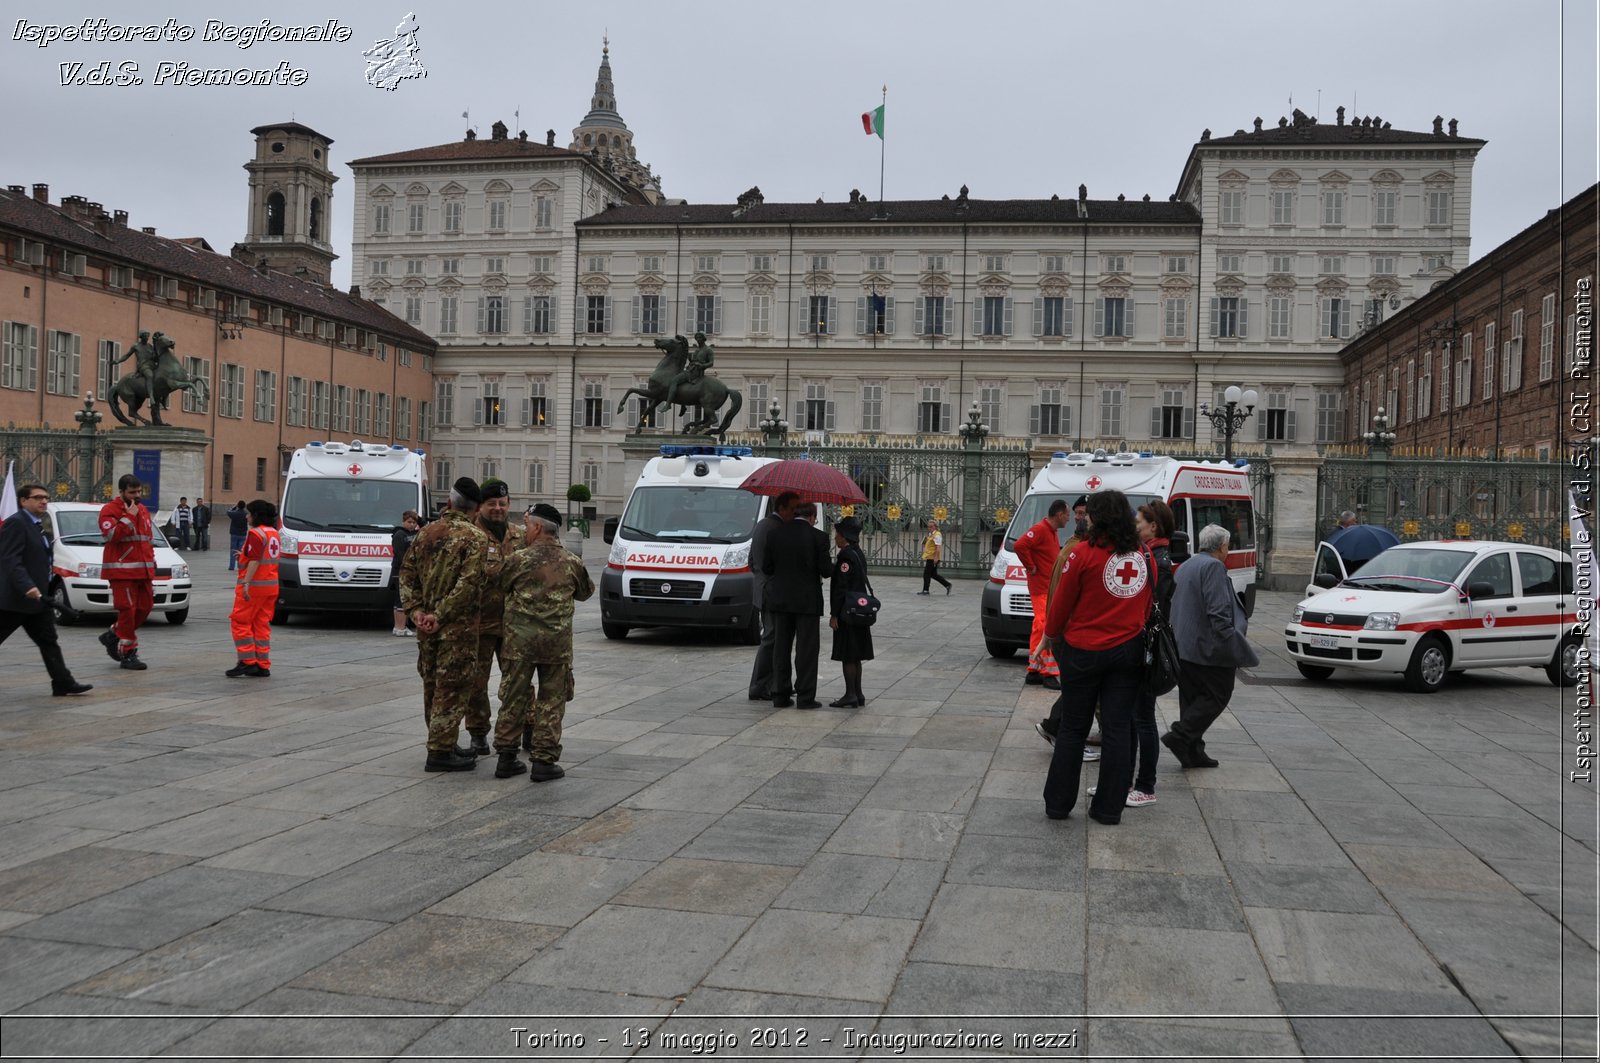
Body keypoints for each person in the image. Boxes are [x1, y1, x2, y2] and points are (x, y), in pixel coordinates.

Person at [1040, 489, 1153, 826]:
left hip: (1084, 651)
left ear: (1098, 517)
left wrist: (1049, 636)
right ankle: (1108, 809)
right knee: (1118, 729)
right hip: (1128, 650)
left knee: (1074, 727)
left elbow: (1060, 606)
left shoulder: (1082, 554)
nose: (1084, 517)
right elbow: (1148, 602)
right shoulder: (1142, 555)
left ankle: (1059, 805)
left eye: (1089, 513)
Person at [492, 504, 595, 781]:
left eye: (527, 526)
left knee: (514, 698)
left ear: (537, 528)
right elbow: (585, 592)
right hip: (556, 646)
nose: (525, 531)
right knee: (552, 702)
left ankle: (506, 757)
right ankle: (543, 762)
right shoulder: (572, 562)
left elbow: (499, 585)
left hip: (519, 644)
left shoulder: (518, 560)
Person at [399, 476, 489, 772]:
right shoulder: (475, 538)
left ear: (449, 503)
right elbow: (469, 583)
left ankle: (443, 741)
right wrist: (441, 615)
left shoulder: (425, 533)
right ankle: (439, 752)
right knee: (452, 687)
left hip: (426, 628)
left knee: (432, 684)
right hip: (457, 628)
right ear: (475, 509)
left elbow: (407, 575)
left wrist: (417, 614)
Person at [1162, 523, 1260, 770]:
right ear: (1223, 546)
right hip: (1207, 648)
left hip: (1183, 645)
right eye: (1228, 546)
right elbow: (1218, 612)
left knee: (1192, 698)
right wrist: (1230, 642)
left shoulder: (1188, 565)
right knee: (1218, 694)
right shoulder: (1213, 566)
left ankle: (1192, 752)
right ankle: (1181, 735)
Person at [1108, 501, 1176, 808]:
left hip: (1146, 645)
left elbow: (1150, 605)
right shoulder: (1147, 554)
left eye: (1140, 522)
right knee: (1133, 718)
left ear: (1154, 527)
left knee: (1144, 719)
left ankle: (1145, 785)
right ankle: (1123, 783)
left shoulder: (1158, 559)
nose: (1135, 526)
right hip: (1139, 643)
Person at [0, 483, 92, 696]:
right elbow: (10, 559)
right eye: (38, 497)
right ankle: (63, 681)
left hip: (38, 601)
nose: (44, 501)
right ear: (23, 501)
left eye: (46, 497)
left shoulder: (37, 524)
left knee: (49, 641)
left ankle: (63, 682)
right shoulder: (16, 523)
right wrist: (27, 586)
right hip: (15, 600)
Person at [465, 478, 523, 756]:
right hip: (480, 624)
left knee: (517, 681)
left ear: (509, 504)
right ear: (480, 507)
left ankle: (525, 729)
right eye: (492, 504)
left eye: (502, 503)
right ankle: (478, 733)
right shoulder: (469, 536)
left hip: (514, 624)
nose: (498, 508)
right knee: (476, 683)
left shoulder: (520, 535)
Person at [762, 492, 830, 709]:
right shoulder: (818, 538)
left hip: (780, 601)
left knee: (781, 648)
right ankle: (805, 697)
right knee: (806, 650)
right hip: (807, 602)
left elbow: (767, 567)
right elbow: (826, 571)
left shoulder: (774, 535)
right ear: (812, 515)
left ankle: (780, 694)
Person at [1035, 496, 1091, 749]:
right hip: (1071, 634)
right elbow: (1061, 598)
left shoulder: (1072, 545)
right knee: (1082, 691)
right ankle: (1060, 734)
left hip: (1067, 633)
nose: (1077, 517)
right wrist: (1051, 633)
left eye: (1083, 514)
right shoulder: (1076, 550)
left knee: (1079, 690)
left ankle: (1056, 729)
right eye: (1077, 513)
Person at [97, 473, 155, 670]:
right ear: (121, 492)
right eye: (132, 492)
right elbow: (111, 535)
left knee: (145, 608)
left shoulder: (143, 510)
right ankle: (128, 653)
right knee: (128, 611)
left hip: (144, 572)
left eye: (139, 492)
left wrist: (152, 563)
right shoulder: (109, 510)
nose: (136, 496)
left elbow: (147, 540)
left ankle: (113, 633)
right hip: (121, 572)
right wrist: (129, 516)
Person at [1014, 498, 1069, 690]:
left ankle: (1034, 670)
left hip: (1046, 587)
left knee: (1039, 627)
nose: (1068, 520)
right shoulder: (1040, 530)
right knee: (1046, 626)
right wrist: (1031, 567)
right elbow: (1020, 545)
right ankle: (1049, 673)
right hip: (1042, 588)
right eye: (1067, 515)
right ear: (1060, 514)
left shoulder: (1051, 531)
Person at [226, 500, 281, 678]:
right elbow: (261, 556)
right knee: (261, 624)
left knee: (240, 622)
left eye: (249, 513)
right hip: (271, 587)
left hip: (254, 588)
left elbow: (256, 560)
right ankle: (262, 664)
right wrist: (243, 555)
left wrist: (246, 583)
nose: (246, 516)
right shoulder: (273, 533)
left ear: (256, 515)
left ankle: (247, 661)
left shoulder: (255, 534)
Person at [746, 493, 791, 701]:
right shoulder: (777, 528)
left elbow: (751, 560)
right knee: (770, 638)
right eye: (791, 509)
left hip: (762, 587)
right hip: (771, 591)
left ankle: (770, 683)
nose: (793, 513)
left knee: (771, 637)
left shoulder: (761, 524)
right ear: (781, 508)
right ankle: (759, 686)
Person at [827, 516, 873, 707]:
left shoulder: (846, 556)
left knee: (848, 654)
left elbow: (841, 588)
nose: (835, 538)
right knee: (856, 655)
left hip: (848, 612)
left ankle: (850, 694)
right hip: (859, 610)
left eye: (837, 534)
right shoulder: (858, 553)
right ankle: (858, 693)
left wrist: (835, 614)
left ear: (844, 536)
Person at [390, 510, 421, 636]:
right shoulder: (399, 534)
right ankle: (400, 627)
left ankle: (400, 626)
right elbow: (399, 553)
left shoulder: (415, 533)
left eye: (414, 522)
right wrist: (408, 565)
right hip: (400, 570)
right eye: (409, 522)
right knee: (401, 599)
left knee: (402, 599)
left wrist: (418, 517)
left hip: (410, 570)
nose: (412, 524)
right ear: (403, 522)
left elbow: (424, 525)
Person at [918, 519, 953, 595]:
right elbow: (929, 544)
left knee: (926, 574)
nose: (929, 528)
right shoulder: (932, 534)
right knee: (933, 574)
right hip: (929, 556)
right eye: (928, 527)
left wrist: (936, 558)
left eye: (931, 526)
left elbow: (938, 548)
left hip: (932, 557)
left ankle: (926, 590)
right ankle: (947, 585)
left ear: (935, 527)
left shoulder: (937, 535)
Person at [226, 500, 249, 570]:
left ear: (238, 506)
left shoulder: (234, 513)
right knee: (241, 551)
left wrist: (234, 507)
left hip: (234, 534)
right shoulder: (246, 514)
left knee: (233, 550)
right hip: (242, 534)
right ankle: (240, 566)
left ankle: (231, 566)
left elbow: (228, 511)